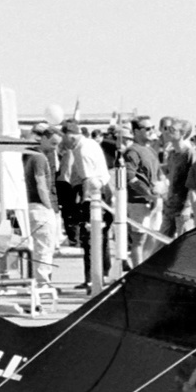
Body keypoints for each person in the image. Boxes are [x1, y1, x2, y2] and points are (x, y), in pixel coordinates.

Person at [61, 118, 110, 286]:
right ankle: (100, 274)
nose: (62, 141)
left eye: (64, 137)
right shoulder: (88, 144)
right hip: (97, 193)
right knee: (99, 237)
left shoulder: (82, 150)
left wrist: (83, 202)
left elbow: (89, 179)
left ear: (71, 136)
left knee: (90, 237)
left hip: (93, 196)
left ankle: (92, 278)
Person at [23, 126, 60, 286]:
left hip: (31, 205)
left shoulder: (30, 156)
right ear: (43, 138)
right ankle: (42, 282)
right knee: (45, 247)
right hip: (40, 206)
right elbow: (41, 182)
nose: (55, 147)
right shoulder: (40, 158)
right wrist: (49, 206)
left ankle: (37, 280)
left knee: (38, 247)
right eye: (53, 143)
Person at [122, 120, 160, 264]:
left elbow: (159, 173)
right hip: (139, 201)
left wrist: (161, 189)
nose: (151, 131)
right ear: (136, 131)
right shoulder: (132, 152)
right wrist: (148, 195)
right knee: (139, 239)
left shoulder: (151, 151)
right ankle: (137, 270)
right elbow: (130, 177)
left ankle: (147, 267)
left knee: (153, 237)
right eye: (147, 128)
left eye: (152, 127)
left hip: (155, 201)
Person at [157, 117, 196, 242]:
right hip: (170, 206)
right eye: (167, 129)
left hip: (183, 207)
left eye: (172, 129)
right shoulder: (172, 154)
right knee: (161, 243)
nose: (168, 131)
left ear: (182, 134)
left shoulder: (189, 154)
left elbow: (194, 183)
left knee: (183, 245)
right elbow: (168, 174)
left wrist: (188, 207)